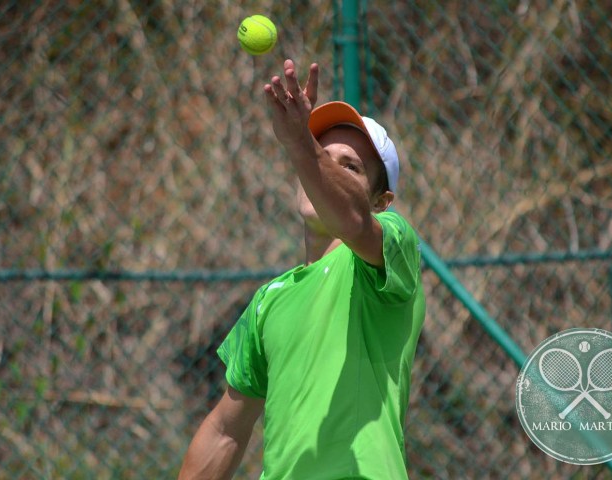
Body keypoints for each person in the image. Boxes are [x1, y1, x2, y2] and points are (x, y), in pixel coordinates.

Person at [178, 59, 426, 480]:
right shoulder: (269, 300)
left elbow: (353, 222)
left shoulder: (391, 245)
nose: (323, 169)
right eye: (322, 156)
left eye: (349, 166)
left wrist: (301, 146)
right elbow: (225, 430)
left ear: (381, 201)